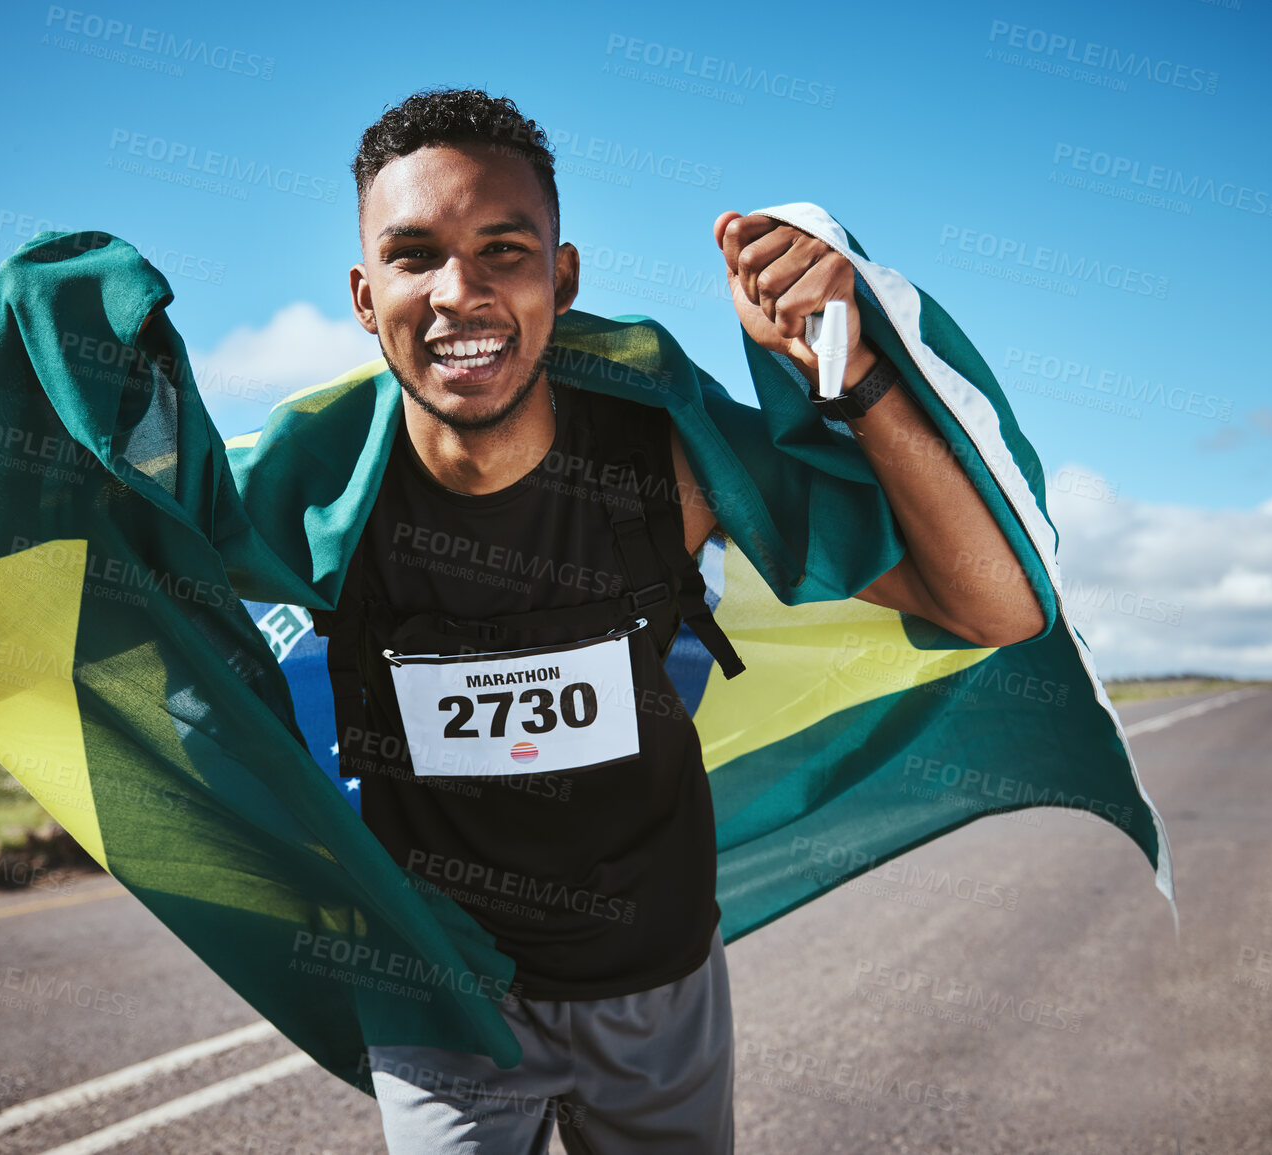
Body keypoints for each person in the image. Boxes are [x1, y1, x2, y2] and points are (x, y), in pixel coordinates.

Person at [317, 87, 1044, 1155]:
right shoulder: (313, 491)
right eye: (414, 256)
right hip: (446, 1000)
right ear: (362, 293)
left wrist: (850, 372)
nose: (456, 294)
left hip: (658, 990)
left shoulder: (669, 460)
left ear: (563, 279)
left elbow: (994, 604)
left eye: (504, 250)